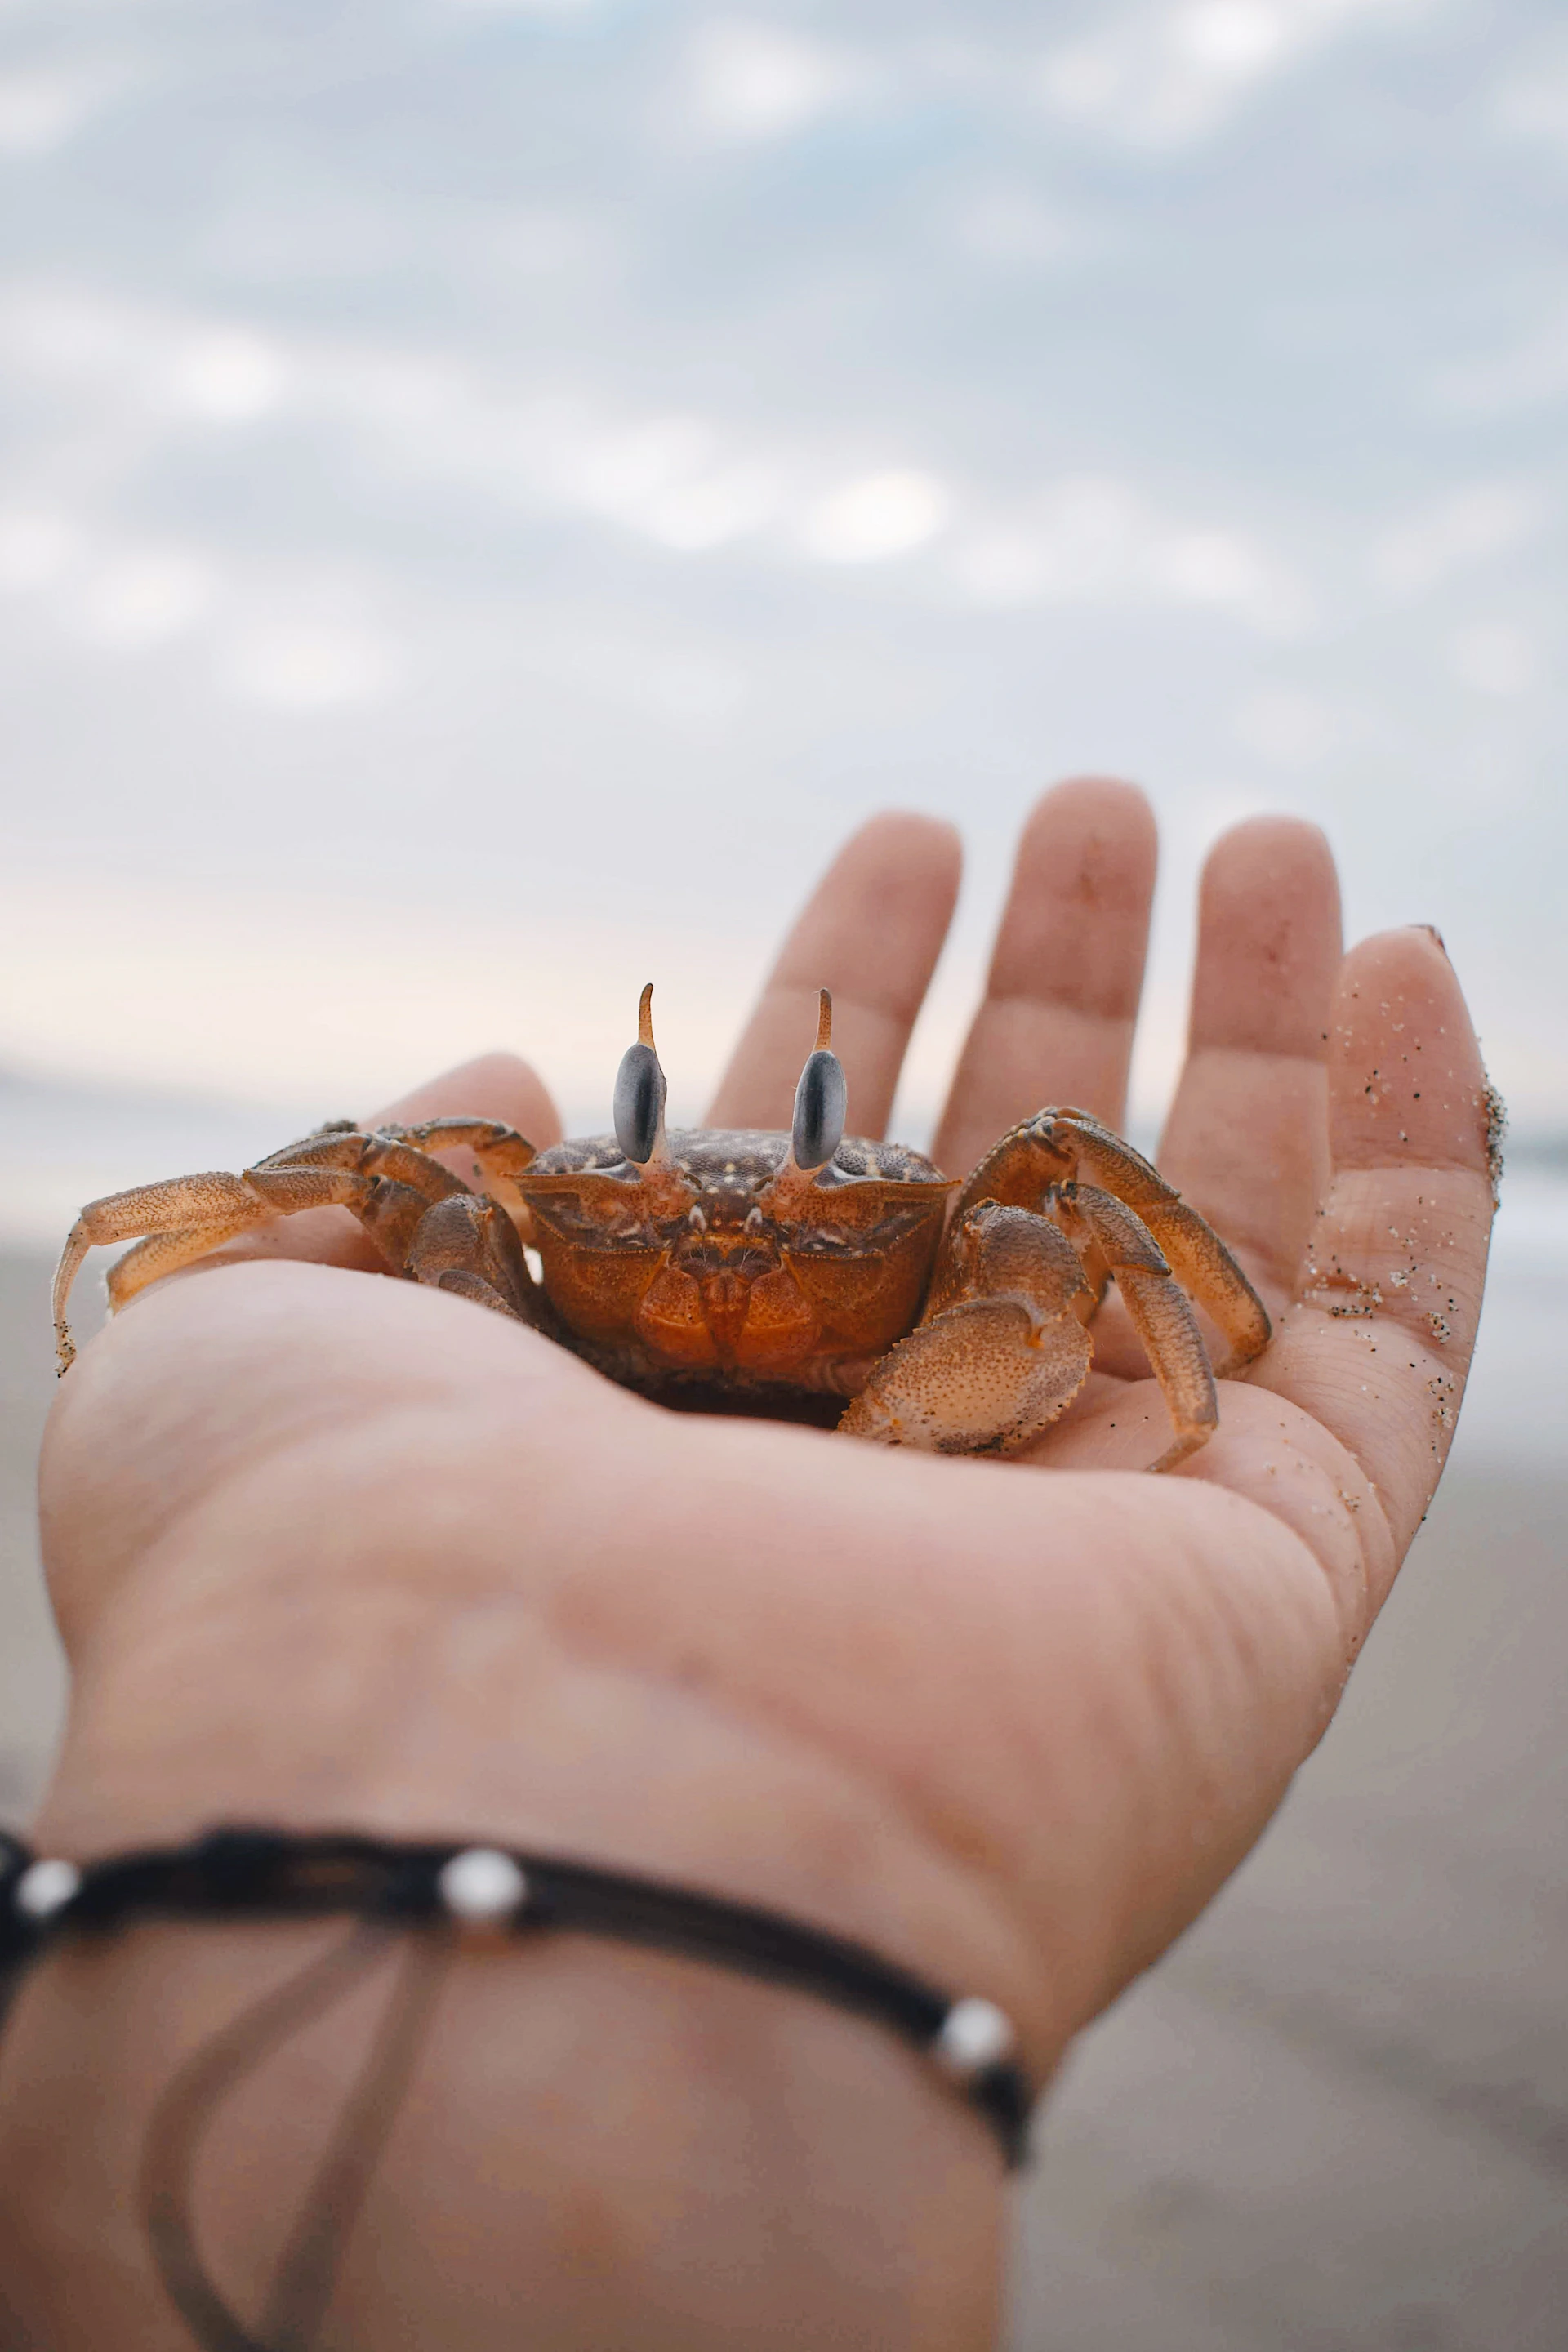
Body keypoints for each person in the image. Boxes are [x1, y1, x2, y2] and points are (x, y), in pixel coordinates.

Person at [0, 780, 1495, 2349]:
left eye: (800, 1230)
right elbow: (378, 1172)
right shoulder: (498, 1203)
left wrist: (1201, 1385)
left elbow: (1068, 1278)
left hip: (910, 1379)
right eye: (648, 1222)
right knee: (397, 1173)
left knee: (1054, 1172)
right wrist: (211, 1230)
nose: (728, 1262)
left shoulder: (987, 1237)